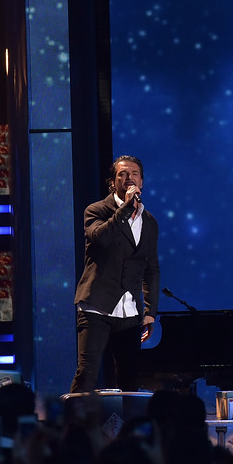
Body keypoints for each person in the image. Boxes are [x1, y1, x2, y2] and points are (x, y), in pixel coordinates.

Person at [71, 155, 161, 393]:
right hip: (96, 307)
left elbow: (150, 268)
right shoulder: (96, 211)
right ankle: (73, 427)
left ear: (142, 182)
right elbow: (100, 239)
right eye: (122, 174)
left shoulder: (149, 222)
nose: (128, 178)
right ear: (113, 182)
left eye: (134, 174)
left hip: (129, 311)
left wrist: (150, 312)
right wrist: (123, 209)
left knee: (129, 380)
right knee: (87, 374)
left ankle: (126, 429)